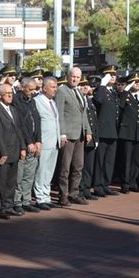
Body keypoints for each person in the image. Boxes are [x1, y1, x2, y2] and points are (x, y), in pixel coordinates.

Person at [55, 67, 92, 206]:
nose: (75, 79)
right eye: (73, 76)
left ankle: (74, 193)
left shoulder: (79, 91)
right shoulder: (62, 91)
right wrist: (62, 133)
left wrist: (88, 130)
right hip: (68, 135)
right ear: (68, 76)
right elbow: (59, 113)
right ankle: (63, 195)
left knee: (78, 166)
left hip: (80, 135)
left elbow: (84, 113)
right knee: (65, 167)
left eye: (78, 77)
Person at [0, 84, 27, 218]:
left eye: (11, 93)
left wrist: (23, 147)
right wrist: (3, 152)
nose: (10, 96)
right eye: (7, 93)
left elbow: (19, 129)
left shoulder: (13, 109)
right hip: (4, 152)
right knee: (1, 181)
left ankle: (8, 205)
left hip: (15, 150)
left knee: (12, 181)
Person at [12, 77, 42, 213]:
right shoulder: (16, 100)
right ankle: (17, 201)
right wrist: (28, 142)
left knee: (30, 175)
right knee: (20, 175)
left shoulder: (33, 101)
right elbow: (21, 125)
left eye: (34, 89)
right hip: (22, 144)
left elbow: (37, 120)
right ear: (22, 87)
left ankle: (26, 200)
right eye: (29, 89)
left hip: (34, 144)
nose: (32, 92)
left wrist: (38, 140)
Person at [33, 77, 61, 210]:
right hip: (44, 141)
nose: (55, 89)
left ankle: (46, 195)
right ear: (44, 88)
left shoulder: (52, 102)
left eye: (56, 87)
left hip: (54, 141)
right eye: (53, 87)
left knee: (49, 171)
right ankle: (40, 197)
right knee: (42, 170)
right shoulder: (37, 101)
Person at [93, 65, 121, 197]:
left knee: (109, 161)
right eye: (110, 74)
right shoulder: (101, 90)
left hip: (113, 131)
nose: (113, 76)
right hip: (103, 131)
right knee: (100, 161)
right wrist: (102, 85)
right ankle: (98, 186)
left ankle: (105, 184)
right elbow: (98, 101)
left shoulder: (114, 92)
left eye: (114, 74)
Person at [118, 73, 139, 193]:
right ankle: (125, 183)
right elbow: (121, 105)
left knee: (136, 160)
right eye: (135, 82)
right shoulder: (125, 95)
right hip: (127, 132)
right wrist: (126, 90)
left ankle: (133, 182)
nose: (138, 83)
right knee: (126, 159)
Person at [79, 78, 99, 200]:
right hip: (82, 136)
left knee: (89, 166)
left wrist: (96, 137)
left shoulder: (89, 101)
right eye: (82, 85)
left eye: (87, 85)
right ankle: (79, 190)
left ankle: (86, 189)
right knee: (80, 166)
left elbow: (94, 121)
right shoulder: (79, 100)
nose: (85, 87)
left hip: (91, 137)